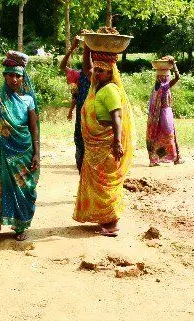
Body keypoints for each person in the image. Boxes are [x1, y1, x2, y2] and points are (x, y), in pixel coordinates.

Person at [73, 49, 133, 237]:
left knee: (106, 183)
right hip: (93, 144)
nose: (96, 73)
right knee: (96, 182)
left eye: (101, 71)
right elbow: (86, 68)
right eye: (96, 70)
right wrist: (87, 48)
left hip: (106, 142)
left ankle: (112, 222)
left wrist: (117, 142)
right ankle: (103, 218)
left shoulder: (110, 90)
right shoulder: (95, 86)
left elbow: (116, 117)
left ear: (110, 73)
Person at [0, 51, 40, 242]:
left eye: (18, 75)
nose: (15, 79)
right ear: (5, 75)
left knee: (25, 189)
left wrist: (37, 154)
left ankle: (21, 225)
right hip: (1, 153)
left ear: (23, 77)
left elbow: (34, 129)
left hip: (24, 152)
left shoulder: (28, 100)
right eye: (11, 75)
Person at [59, 35, 92, 170]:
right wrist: (72, 48)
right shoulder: (78, 75)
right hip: (81, 111)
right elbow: (62, 66)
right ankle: (82, 163)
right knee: (80, 136)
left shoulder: (96, 74)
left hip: (92, 111)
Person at [147, 57, 181, 166]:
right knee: (170, 136)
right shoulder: (164, 86)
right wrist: (174, 65)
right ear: (165, 77)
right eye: (167, 76)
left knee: (158, 137)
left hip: (156, 117)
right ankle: (175, 158)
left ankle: (155, 159)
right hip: (165, 114)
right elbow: (178, 77)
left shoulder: (156, 88)